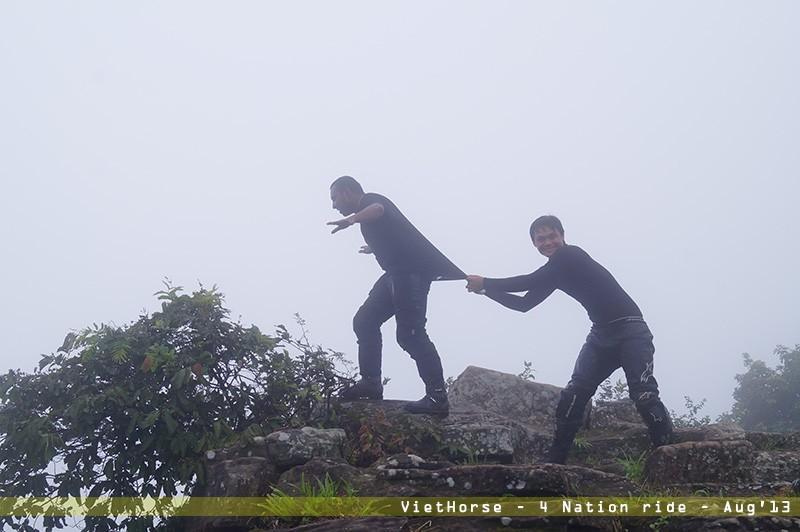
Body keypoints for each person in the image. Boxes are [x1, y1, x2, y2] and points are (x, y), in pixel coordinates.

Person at [465, 215, 673, 463]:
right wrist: (485, 290)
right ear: (534, 244)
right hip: (600, 335)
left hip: (631, 330)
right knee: (574, 394)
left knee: (643, 394)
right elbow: (524, 304)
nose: (547, 242)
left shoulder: (570, 255)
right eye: (541, 239)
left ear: (562, 236)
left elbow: (529, 281)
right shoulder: (554, 272)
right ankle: (556, 461)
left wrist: (486, 281)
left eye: (552, 236)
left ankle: (669, 452)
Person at [327, 176, 464, 415]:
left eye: (335, 198)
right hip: (395, 274)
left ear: (347, 192)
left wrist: (351, 219)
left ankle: (437, 397)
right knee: (365, 321)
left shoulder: (370, 201)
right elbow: (393, 231)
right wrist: (375, 247)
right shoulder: (368, 214)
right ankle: (371, 383)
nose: (334, 205)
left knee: (410, 334)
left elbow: (378, 210)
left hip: (410, 274)